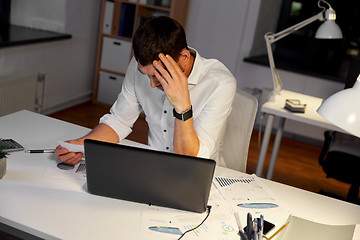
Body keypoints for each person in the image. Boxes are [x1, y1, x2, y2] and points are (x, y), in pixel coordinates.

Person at [55, 16, 236, 166]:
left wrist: (182, 107)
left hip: (197, 173)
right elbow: (119, 120)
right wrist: (82, 145)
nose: (150, 84)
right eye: (145, 75)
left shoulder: (221, 83)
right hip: (153, 167)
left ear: (183, 57)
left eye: (158, 76)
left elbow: (192, 160)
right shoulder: (138, 66)